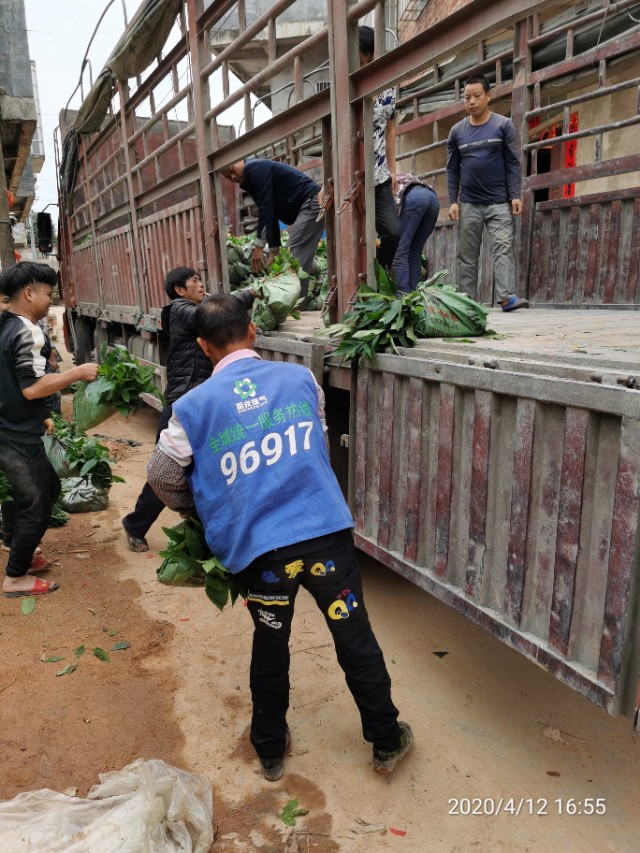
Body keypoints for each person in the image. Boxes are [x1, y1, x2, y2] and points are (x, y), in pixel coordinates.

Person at [147, 294, 413, 781]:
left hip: (263, 554)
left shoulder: (192, 406)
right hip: (324, 537)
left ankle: (269, 749)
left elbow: (163, 476)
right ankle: (386, 740)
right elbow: (317, 438)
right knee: (354, 637)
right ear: (252, 332)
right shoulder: (299, 379)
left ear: (204, 347)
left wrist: (205, 512)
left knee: (271, 645)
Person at [122, 267, 254, 551]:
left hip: (201, 402)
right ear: (179, 290)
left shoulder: (193, 311)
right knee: (168, 468)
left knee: (204, 469)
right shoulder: (180, 310)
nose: (200, 284)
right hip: (183, 401)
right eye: (194, 280)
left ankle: (207, 535)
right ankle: (134, 525)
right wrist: (248, 295)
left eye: (200, 279)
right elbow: (214, 315)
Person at [0, 262, 98, 597]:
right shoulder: (28, 329)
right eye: (48, 293)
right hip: (15, 434)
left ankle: (20, 550)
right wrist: (79, 372)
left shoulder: (4, 323)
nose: (49, 300)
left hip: (12, 426)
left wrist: (39, 413)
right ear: (29, 293)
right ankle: (15, 577)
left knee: (47, 489)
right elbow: (32, 385)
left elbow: (14, 382)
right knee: (39, 501)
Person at [446, 73, 529, 311]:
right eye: (466, 97)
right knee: (467, 254)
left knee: (503, 247)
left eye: (476, 96)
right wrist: (453, 201)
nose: (471, 101)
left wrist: (515, 194)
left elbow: (513, 163)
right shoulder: (457, 132)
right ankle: (467, 301)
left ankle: (506, 297)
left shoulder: (503, 125)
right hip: (469, 202)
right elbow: (452, 169)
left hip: (499, 202)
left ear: (488, 96)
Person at [222, 159, 324, 294]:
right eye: (228, 177)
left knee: (292, 255)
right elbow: (271, 213)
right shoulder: (250, 179)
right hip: (307, 205)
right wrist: (273, 249)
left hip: (312, 202)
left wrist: (259, 245)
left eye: (232, 170)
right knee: (291, 256)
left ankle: (295, 302)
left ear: (240, 160)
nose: (233, 177)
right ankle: (296, 301)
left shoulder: (254, 169)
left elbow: (266, 208)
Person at [359, 25, 400, 272]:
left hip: (379, 175)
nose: (366, 66)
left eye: (370, 60)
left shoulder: (388, 87)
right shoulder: (346, 88)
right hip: (352, 179)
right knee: (355, 237)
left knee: (392, 232)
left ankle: (377, 274)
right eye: (361, 62)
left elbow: (390, 128)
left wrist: (393, 169)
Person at [391, 173, 440, 293]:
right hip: (432, 198)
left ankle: (402, 296)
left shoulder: (378, 182)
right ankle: (413, 295)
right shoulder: (394, 175)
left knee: (400, 252)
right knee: (415, 252)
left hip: (413, 197)